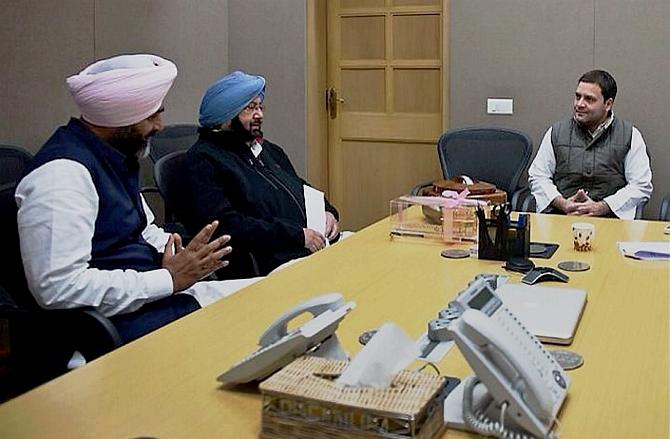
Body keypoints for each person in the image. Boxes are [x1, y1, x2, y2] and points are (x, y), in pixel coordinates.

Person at [15, 54, 234, 344]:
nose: (159, 125)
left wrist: (189, 258)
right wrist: (167, 279)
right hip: (110, 331)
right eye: (152, 115)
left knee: (275, 292)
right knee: (254, 322)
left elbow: (143, 231)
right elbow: (59, 288)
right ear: (122, 117)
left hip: (152, 301)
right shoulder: (61, 175)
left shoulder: (115, 157)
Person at [184, 71, 340, 278]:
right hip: (274, 259)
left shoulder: (268, 150)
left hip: (313, 243)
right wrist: (297, 237)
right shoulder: (204, 160)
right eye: (250, 108)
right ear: (226, 115)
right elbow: (226, 225)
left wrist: (327, 212)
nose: (260, 115)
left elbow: (298, 187)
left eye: (260, 107)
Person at [528, 69, 652, 219]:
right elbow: (538, 176)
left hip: (609, 221)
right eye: (578, 96)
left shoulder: (630, 135)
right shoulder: (556, 132)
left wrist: (602, 207)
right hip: (561, 217)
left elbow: (641, 186)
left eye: (589, 99)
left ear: (608, 104)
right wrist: (561, 203)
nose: (580, 104)